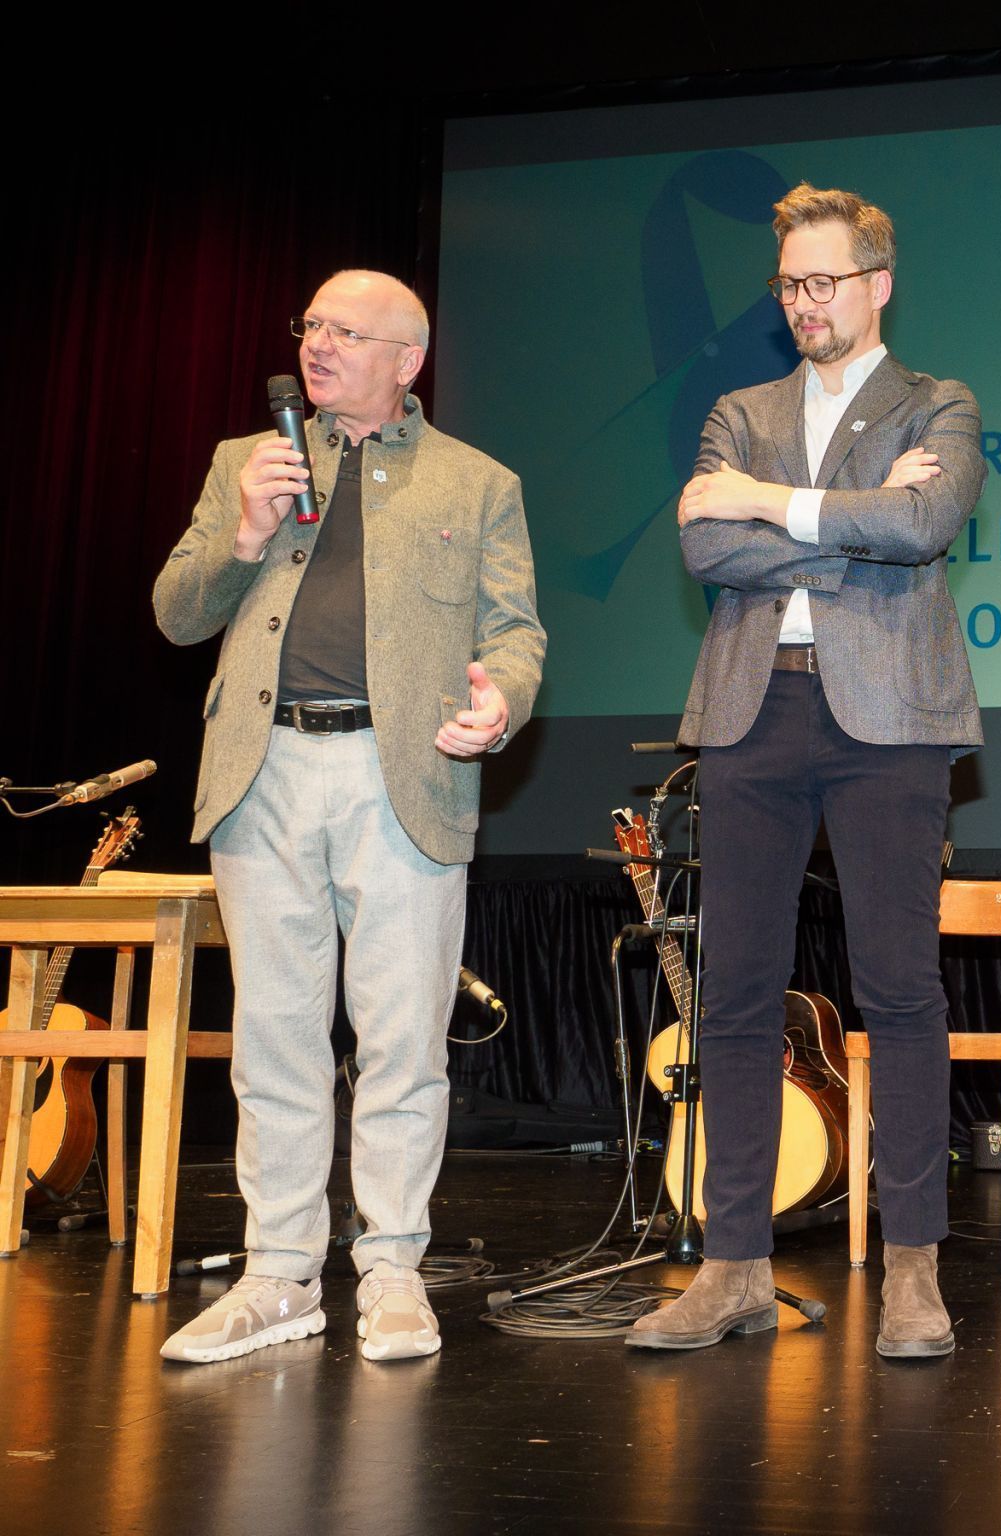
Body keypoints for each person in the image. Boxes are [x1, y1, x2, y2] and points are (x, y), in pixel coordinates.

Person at [152, 270, 545, 1363]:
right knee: (274, 1037)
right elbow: (176, 614)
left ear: (407, 360)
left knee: (401, 1041)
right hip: (262, 771)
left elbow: (516, 631)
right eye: (311, 326)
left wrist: (502, 702)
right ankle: (279, 1276)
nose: (317, 345)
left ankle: (392, 1271)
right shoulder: (247, 462)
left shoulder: (478, 483)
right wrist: (242, 534)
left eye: (346, 332)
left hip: (400, 773)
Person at [628, 184, 984, 1359]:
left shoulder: (937, 401)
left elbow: (923, 527)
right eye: (787, 284)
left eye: (823, 281)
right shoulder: (739, 408)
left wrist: (768, 507)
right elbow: (703, 542)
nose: (802, 303)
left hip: (889, 720)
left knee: (900, 991)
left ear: (877, 284)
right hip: (749, 713)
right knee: (733, 993)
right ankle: (732, 1265)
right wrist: (845, 531)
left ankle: (914, 1271)